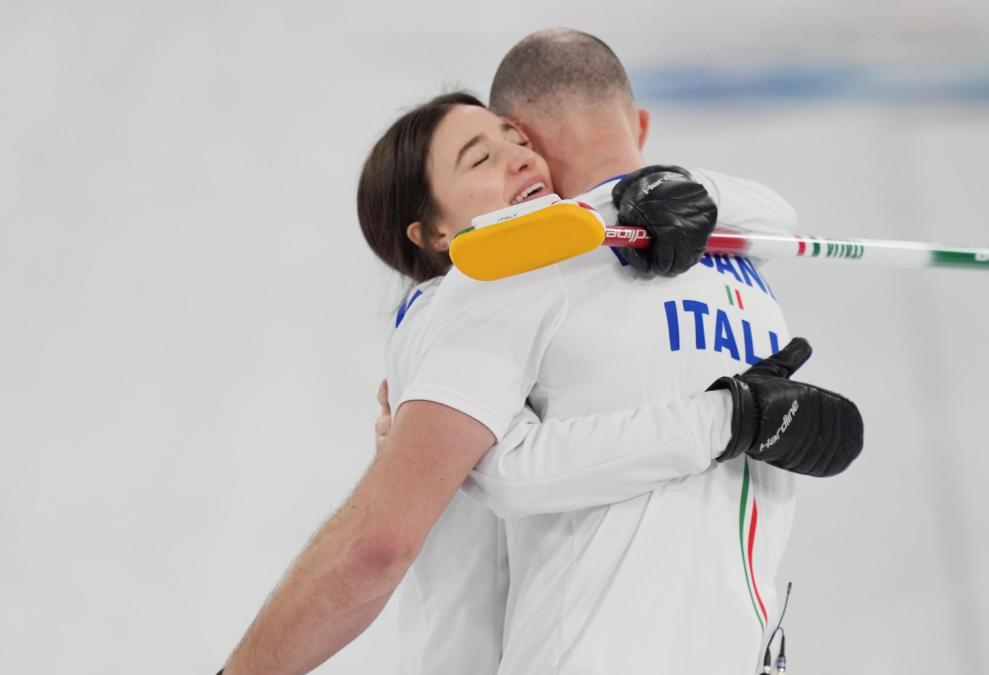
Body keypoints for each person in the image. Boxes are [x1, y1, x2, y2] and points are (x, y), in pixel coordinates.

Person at [221, 30, 862, 675]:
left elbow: (777, 218)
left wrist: (679, 187)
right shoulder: (480, 285)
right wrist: (731, 419)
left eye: (519, 143)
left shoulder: (688, 247)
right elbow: (488, 481)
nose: (519, 160)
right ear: (435, 233)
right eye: (480, 159)